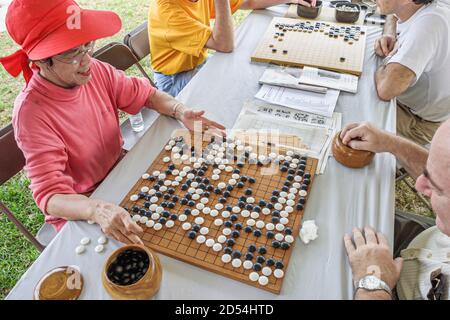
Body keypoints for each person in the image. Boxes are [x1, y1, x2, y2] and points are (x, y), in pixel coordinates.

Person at [0, 0, 225, 245]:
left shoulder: (95, 70)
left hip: (121, 172)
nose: (86, 59)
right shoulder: (32, 113)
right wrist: (95, 209)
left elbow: (147, 94)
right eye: (70, 53)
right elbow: (51, 196)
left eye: (86, 44)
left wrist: (180, 110)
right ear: (42, 61)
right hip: (83, 206)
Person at [340, 121, 450, 300]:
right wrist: (390, 143)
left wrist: (373, 286)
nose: (418, 185)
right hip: (421, 241)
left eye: (437, 189)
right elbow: (443, 172)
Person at [148, 0, 316, 97]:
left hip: (199, 63)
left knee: (245, 73)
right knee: (237, 87)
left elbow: (249, 1)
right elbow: (224, 45)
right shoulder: (169, 13)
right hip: (174, 80)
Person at [373, 0, 450, 145]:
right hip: (409, 103)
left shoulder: (429, 24)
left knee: (347, 122)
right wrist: (390, 33)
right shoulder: (420, 6)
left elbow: (385, 88)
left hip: (418, 123)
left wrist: (391, 57)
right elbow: (394, 14)